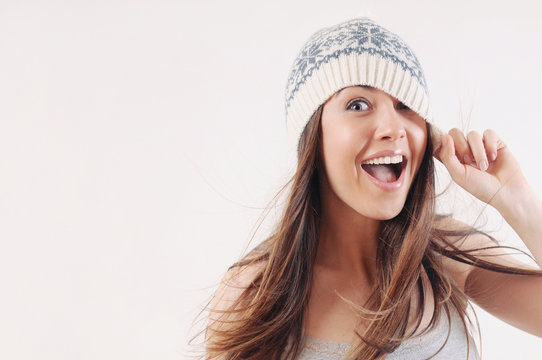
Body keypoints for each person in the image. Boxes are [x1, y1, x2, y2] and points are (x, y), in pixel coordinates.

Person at [203, 17, 542, 359]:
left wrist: (517, 201)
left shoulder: (447, 254)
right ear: (313, 137)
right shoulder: (252, 293)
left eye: (405, 105)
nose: (393, 128)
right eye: (358, 105)